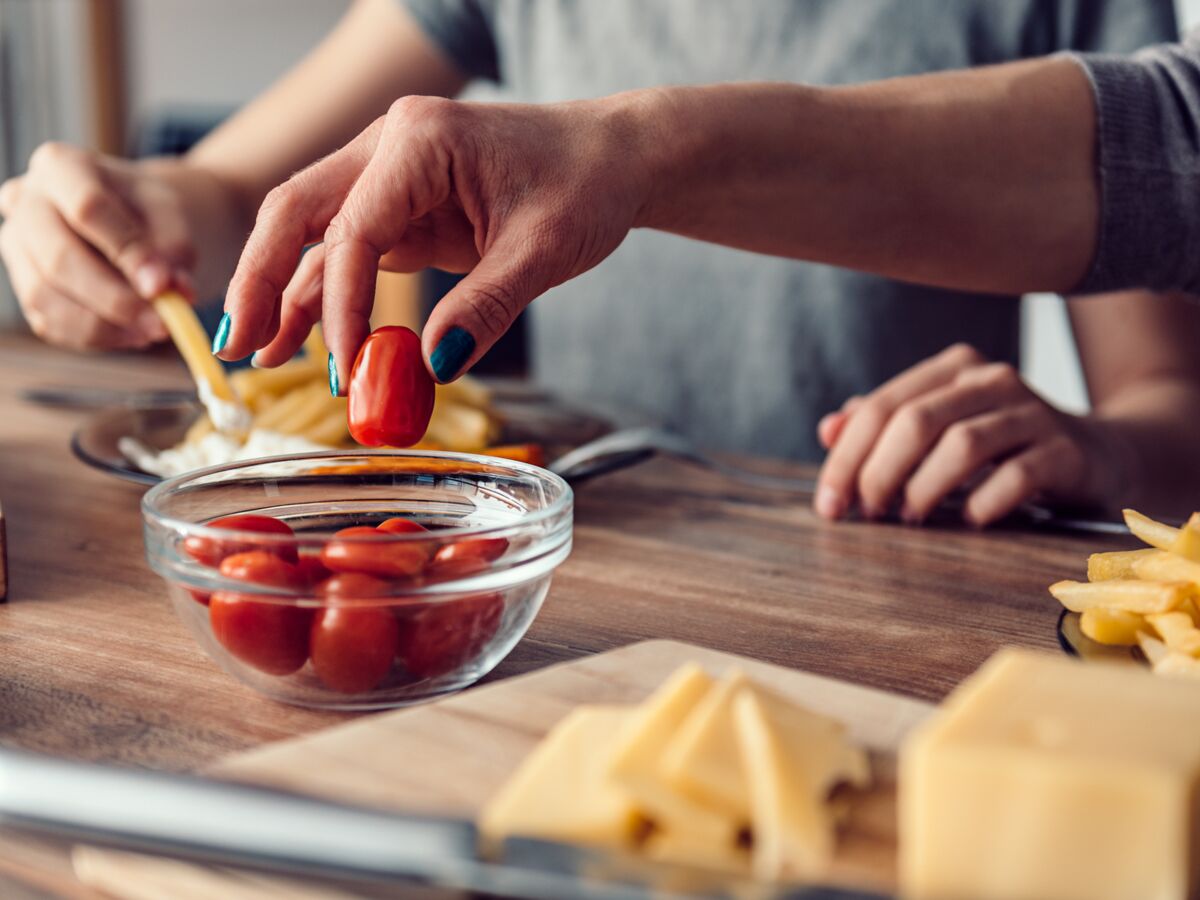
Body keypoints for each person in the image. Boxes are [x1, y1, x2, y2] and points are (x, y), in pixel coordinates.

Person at [2, 0, 1197, 528]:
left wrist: (1097, 449)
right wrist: (119, 208)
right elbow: (229, 199)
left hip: (876, 562)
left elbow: (1174, 410)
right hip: (583, 572)